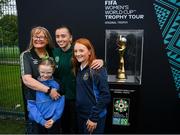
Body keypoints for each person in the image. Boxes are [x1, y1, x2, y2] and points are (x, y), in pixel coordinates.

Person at [52, 25, 104, 133]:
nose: (60, 39)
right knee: (63, 126)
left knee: (76, 128)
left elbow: (91, 62)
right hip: (60, 97)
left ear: (70, 37)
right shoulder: (54, 52)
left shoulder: (77, 50)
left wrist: (101, 62)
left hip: (77, 98)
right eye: (57, 36)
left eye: (63, 36)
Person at [20, 26, 60, 134]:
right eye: (35, 37)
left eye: (41, 37)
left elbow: (72, 53)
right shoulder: (26, 55)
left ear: (47, 40)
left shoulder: (53, 53)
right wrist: (49, 90)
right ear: (32, 39)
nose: (38, 39)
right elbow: (27, 80)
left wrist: (98, 61)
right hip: (35, 105)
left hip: (52, 105)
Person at [72, 38, 111, 134]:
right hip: (81, 115)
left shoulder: (96, 69)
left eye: (81, 50)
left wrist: (94, 118)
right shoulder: (79, 68)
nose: (78, 53)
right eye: (76, 51)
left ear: (89, 51)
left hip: (93, 118)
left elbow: (105, 96)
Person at [27, 57, 65, 134]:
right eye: (42, 72)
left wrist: (54, 118)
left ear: (53, 70)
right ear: (38, 70)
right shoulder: (34, 85)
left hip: (53, 120)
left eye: (48, 72)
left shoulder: (57, 84)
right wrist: (42, 121)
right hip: (37, 120)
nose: (45, 75)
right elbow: (31, 104)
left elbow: (60, 102)